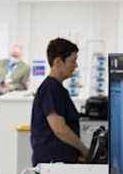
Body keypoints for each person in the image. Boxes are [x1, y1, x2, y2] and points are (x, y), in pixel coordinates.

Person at [30, 38, 88, 166]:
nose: (76, 66)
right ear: (58, 62)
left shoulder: (58, 89)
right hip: (53, 164)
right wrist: (84, 151)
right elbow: (59, 129)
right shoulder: (51, 89)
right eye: (73, 61)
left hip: (59, 161)